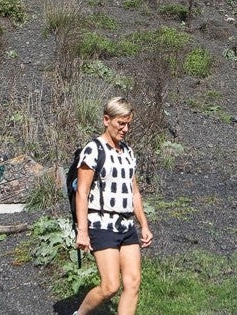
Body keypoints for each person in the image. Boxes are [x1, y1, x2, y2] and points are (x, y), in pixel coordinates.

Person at [74, 97, 153, 315]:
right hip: (101, 224)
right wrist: (83, 231)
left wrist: (144, 225)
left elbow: (134, 192)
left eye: (128, 124)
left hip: (126, 225)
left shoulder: (128, 152)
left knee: (133, 283)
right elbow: (82, 192)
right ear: (106, 120)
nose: (125, 129)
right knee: (110, 286)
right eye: (121, 123)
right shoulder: (93, 150)